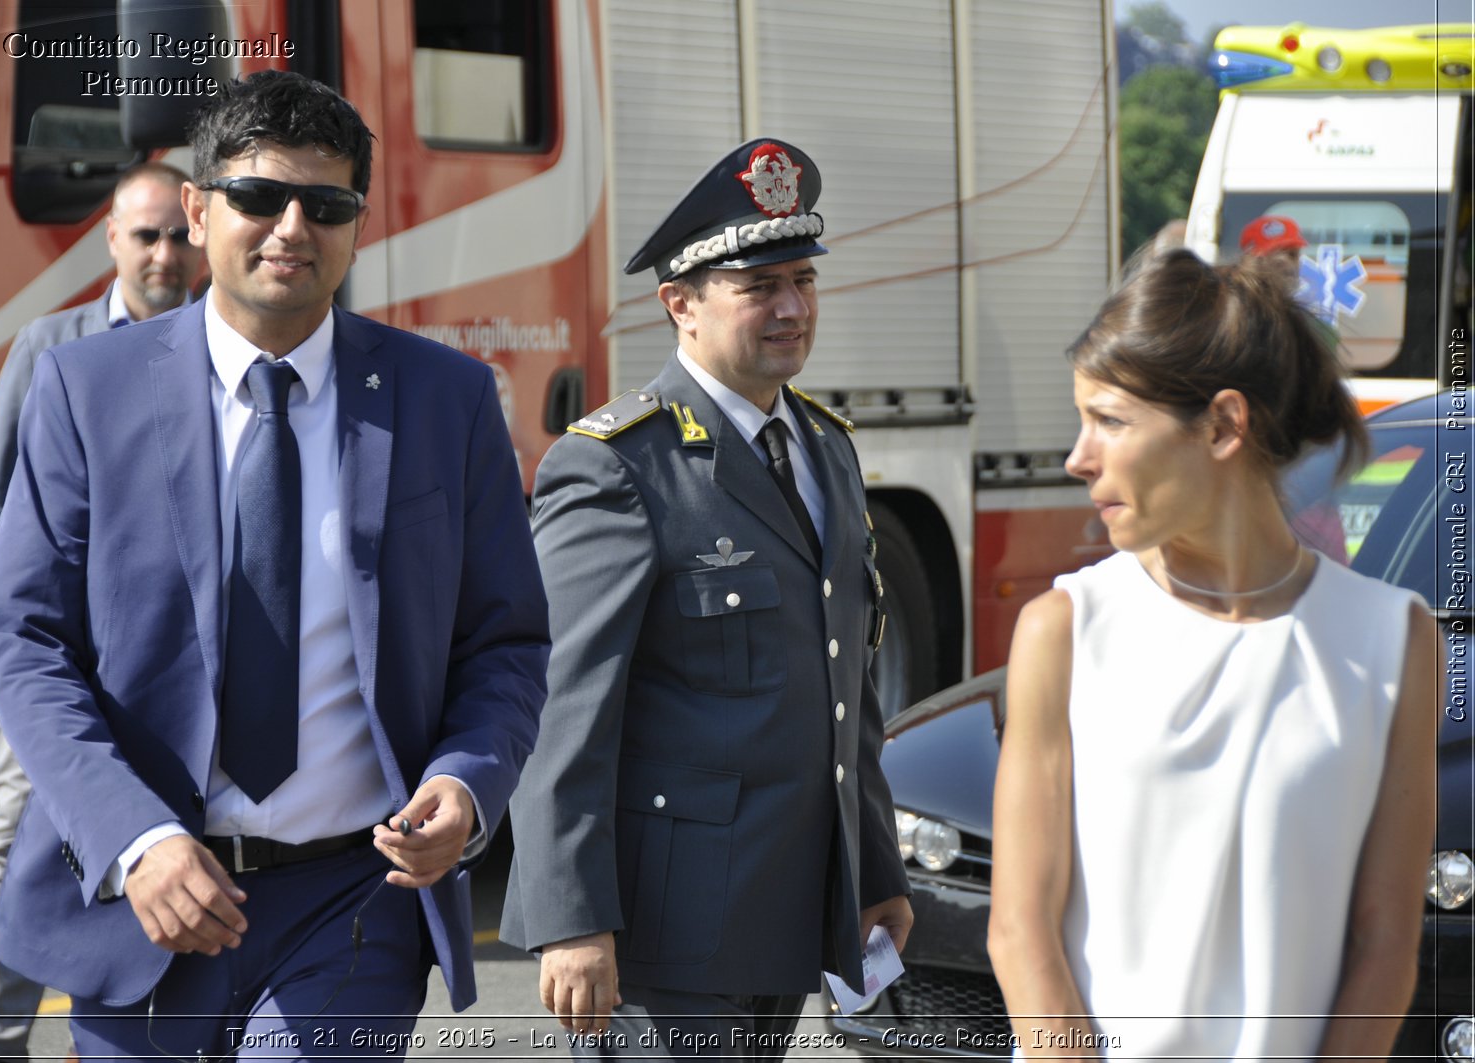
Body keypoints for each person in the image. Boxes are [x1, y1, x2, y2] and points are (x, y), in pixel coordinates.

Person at [0, 70, 549, 1061]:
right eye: (258, 197)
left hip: (352, 903)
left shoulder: (446, 401)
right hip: (145, 901)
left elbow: (505, 638)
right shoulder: (85, 388)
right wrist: (133, 839)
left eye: (326, 205)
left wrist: (467, 779)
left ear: (357, 227)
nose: (292, 227)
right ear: (197, 210)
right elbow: (20, 631)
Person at [500, 138, 913, 1060]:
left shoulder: (825, 448)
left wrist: (874, 867)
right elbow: (564, 708)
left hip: (786, 909)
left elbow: (850, 687)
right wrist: (571, 917)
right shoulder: (615, 465)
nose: (793, 308)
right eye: (759, 287)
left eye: (803, 280)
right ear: (679, 305)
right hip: (665, 932)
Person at [987, 249, 1437, 1058]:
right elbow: (1021, 931)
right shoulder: (1065, 629)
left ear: (1225, 424)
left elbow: (1386, 945)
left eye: (1111, 420)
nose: (1077, 457)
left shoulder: (1391, 641)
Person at [0, 159, 202, 1063]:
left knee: (156, 837)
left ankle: (111, 1028)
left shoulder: (221, 347)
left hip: (158, 663)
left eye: (179, 234)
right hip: (52, 652)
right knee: (21, 832)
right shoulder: (46, 346)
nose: (165, 254)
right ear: (111, 242)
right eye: (147, 236)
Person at [1239, 213, 1306, 286]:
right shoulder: (1231, 294)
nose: (1287, 264)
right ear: (1249, 263)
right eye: (1277, 261)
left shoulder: (1309, 294)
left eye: (1292, 255)